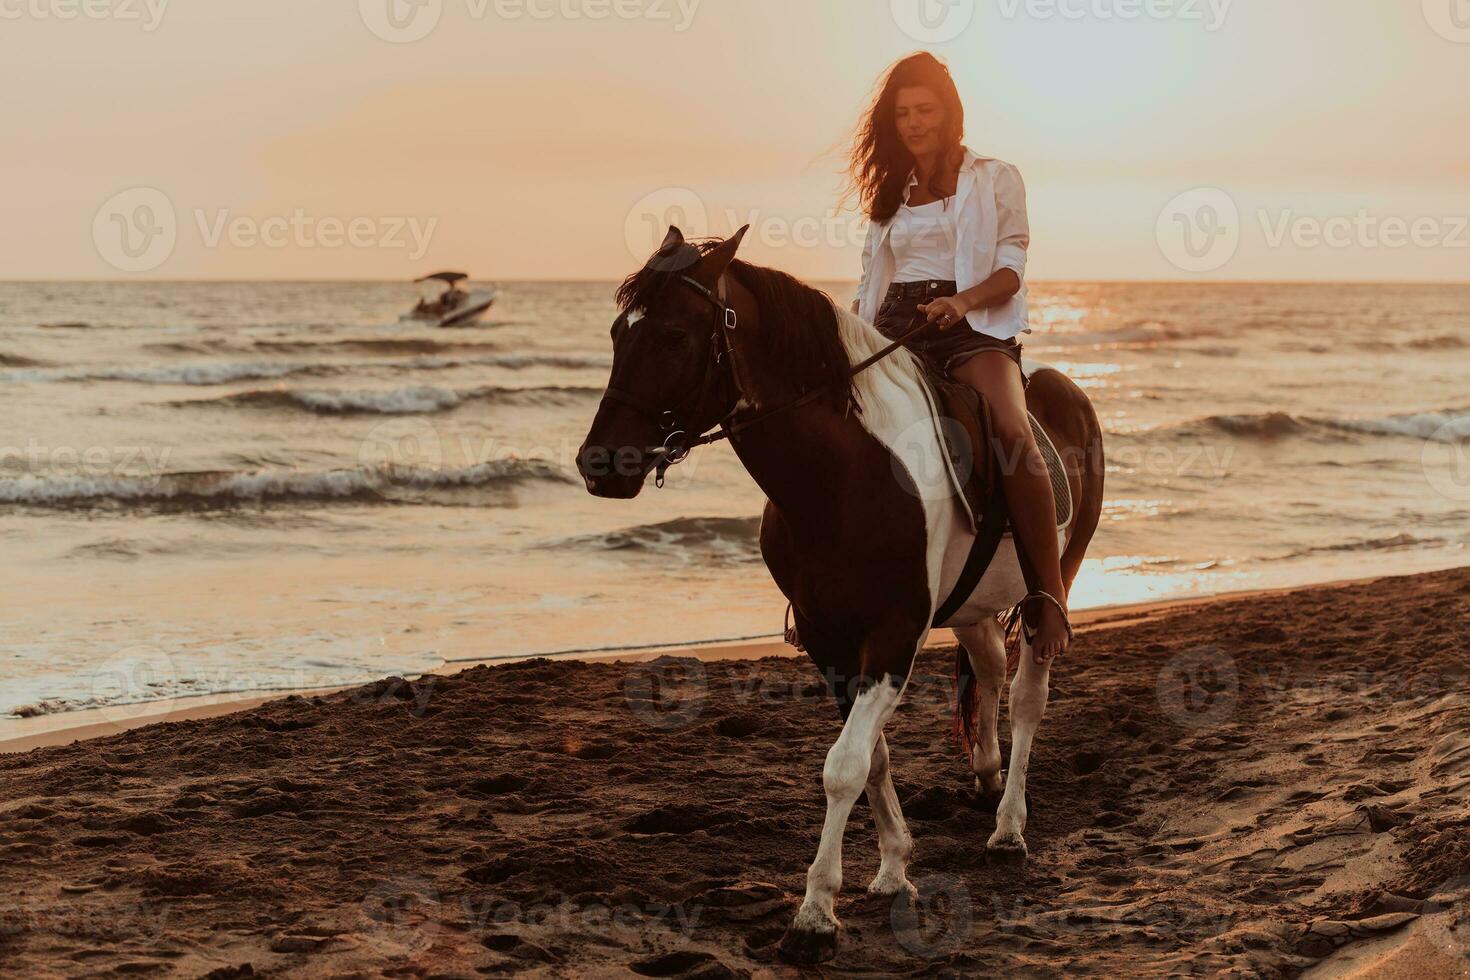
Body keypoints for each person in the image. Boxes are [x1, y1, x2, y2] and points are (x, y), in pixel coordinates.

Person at [849, 52, 1071, 660]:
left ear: (951, 114)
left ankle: (1046, 597)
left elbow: (1011, 269)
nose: (914, 123)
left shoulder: (996, 177)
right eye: (902, 113)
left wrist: (961, 302)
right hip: (897, 324)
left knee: (1010, 431)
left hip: (973, 329)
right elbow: (874, 278)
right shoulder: (891, 191)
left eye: (925, 110)